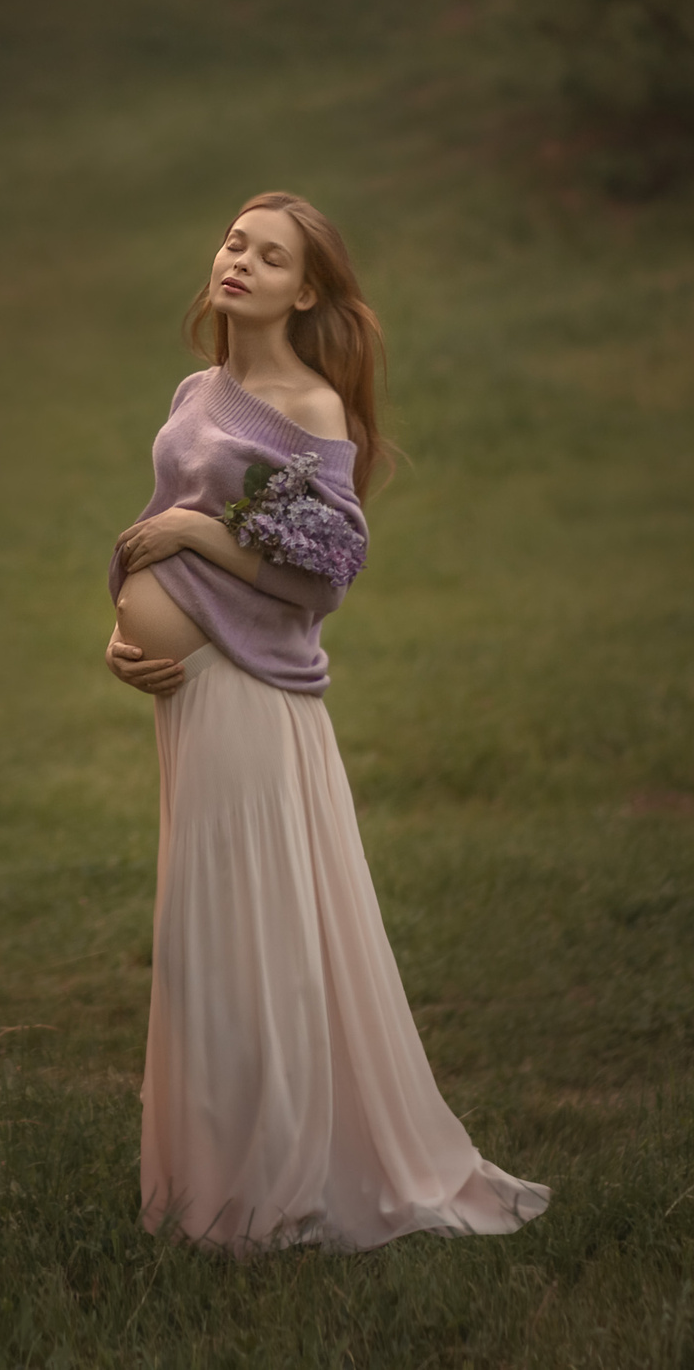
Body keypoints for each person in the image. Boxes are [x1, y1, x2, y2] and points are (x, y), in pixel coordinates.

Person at [105, 190, 550, 1253]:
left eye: (269, 257)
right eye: (232, 242)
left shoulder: (309, 409)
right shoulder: (196, 387)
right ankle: (213, 1184)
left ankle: (275, 1188)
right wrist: (122, 642)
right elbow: (152, 540)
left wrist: (200, 542)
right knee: (199, 938)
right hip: (186, 692)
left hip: (252, 696)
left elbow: (323, 575)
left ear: (304, 291)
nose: (240, 263)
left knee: (252, 937)